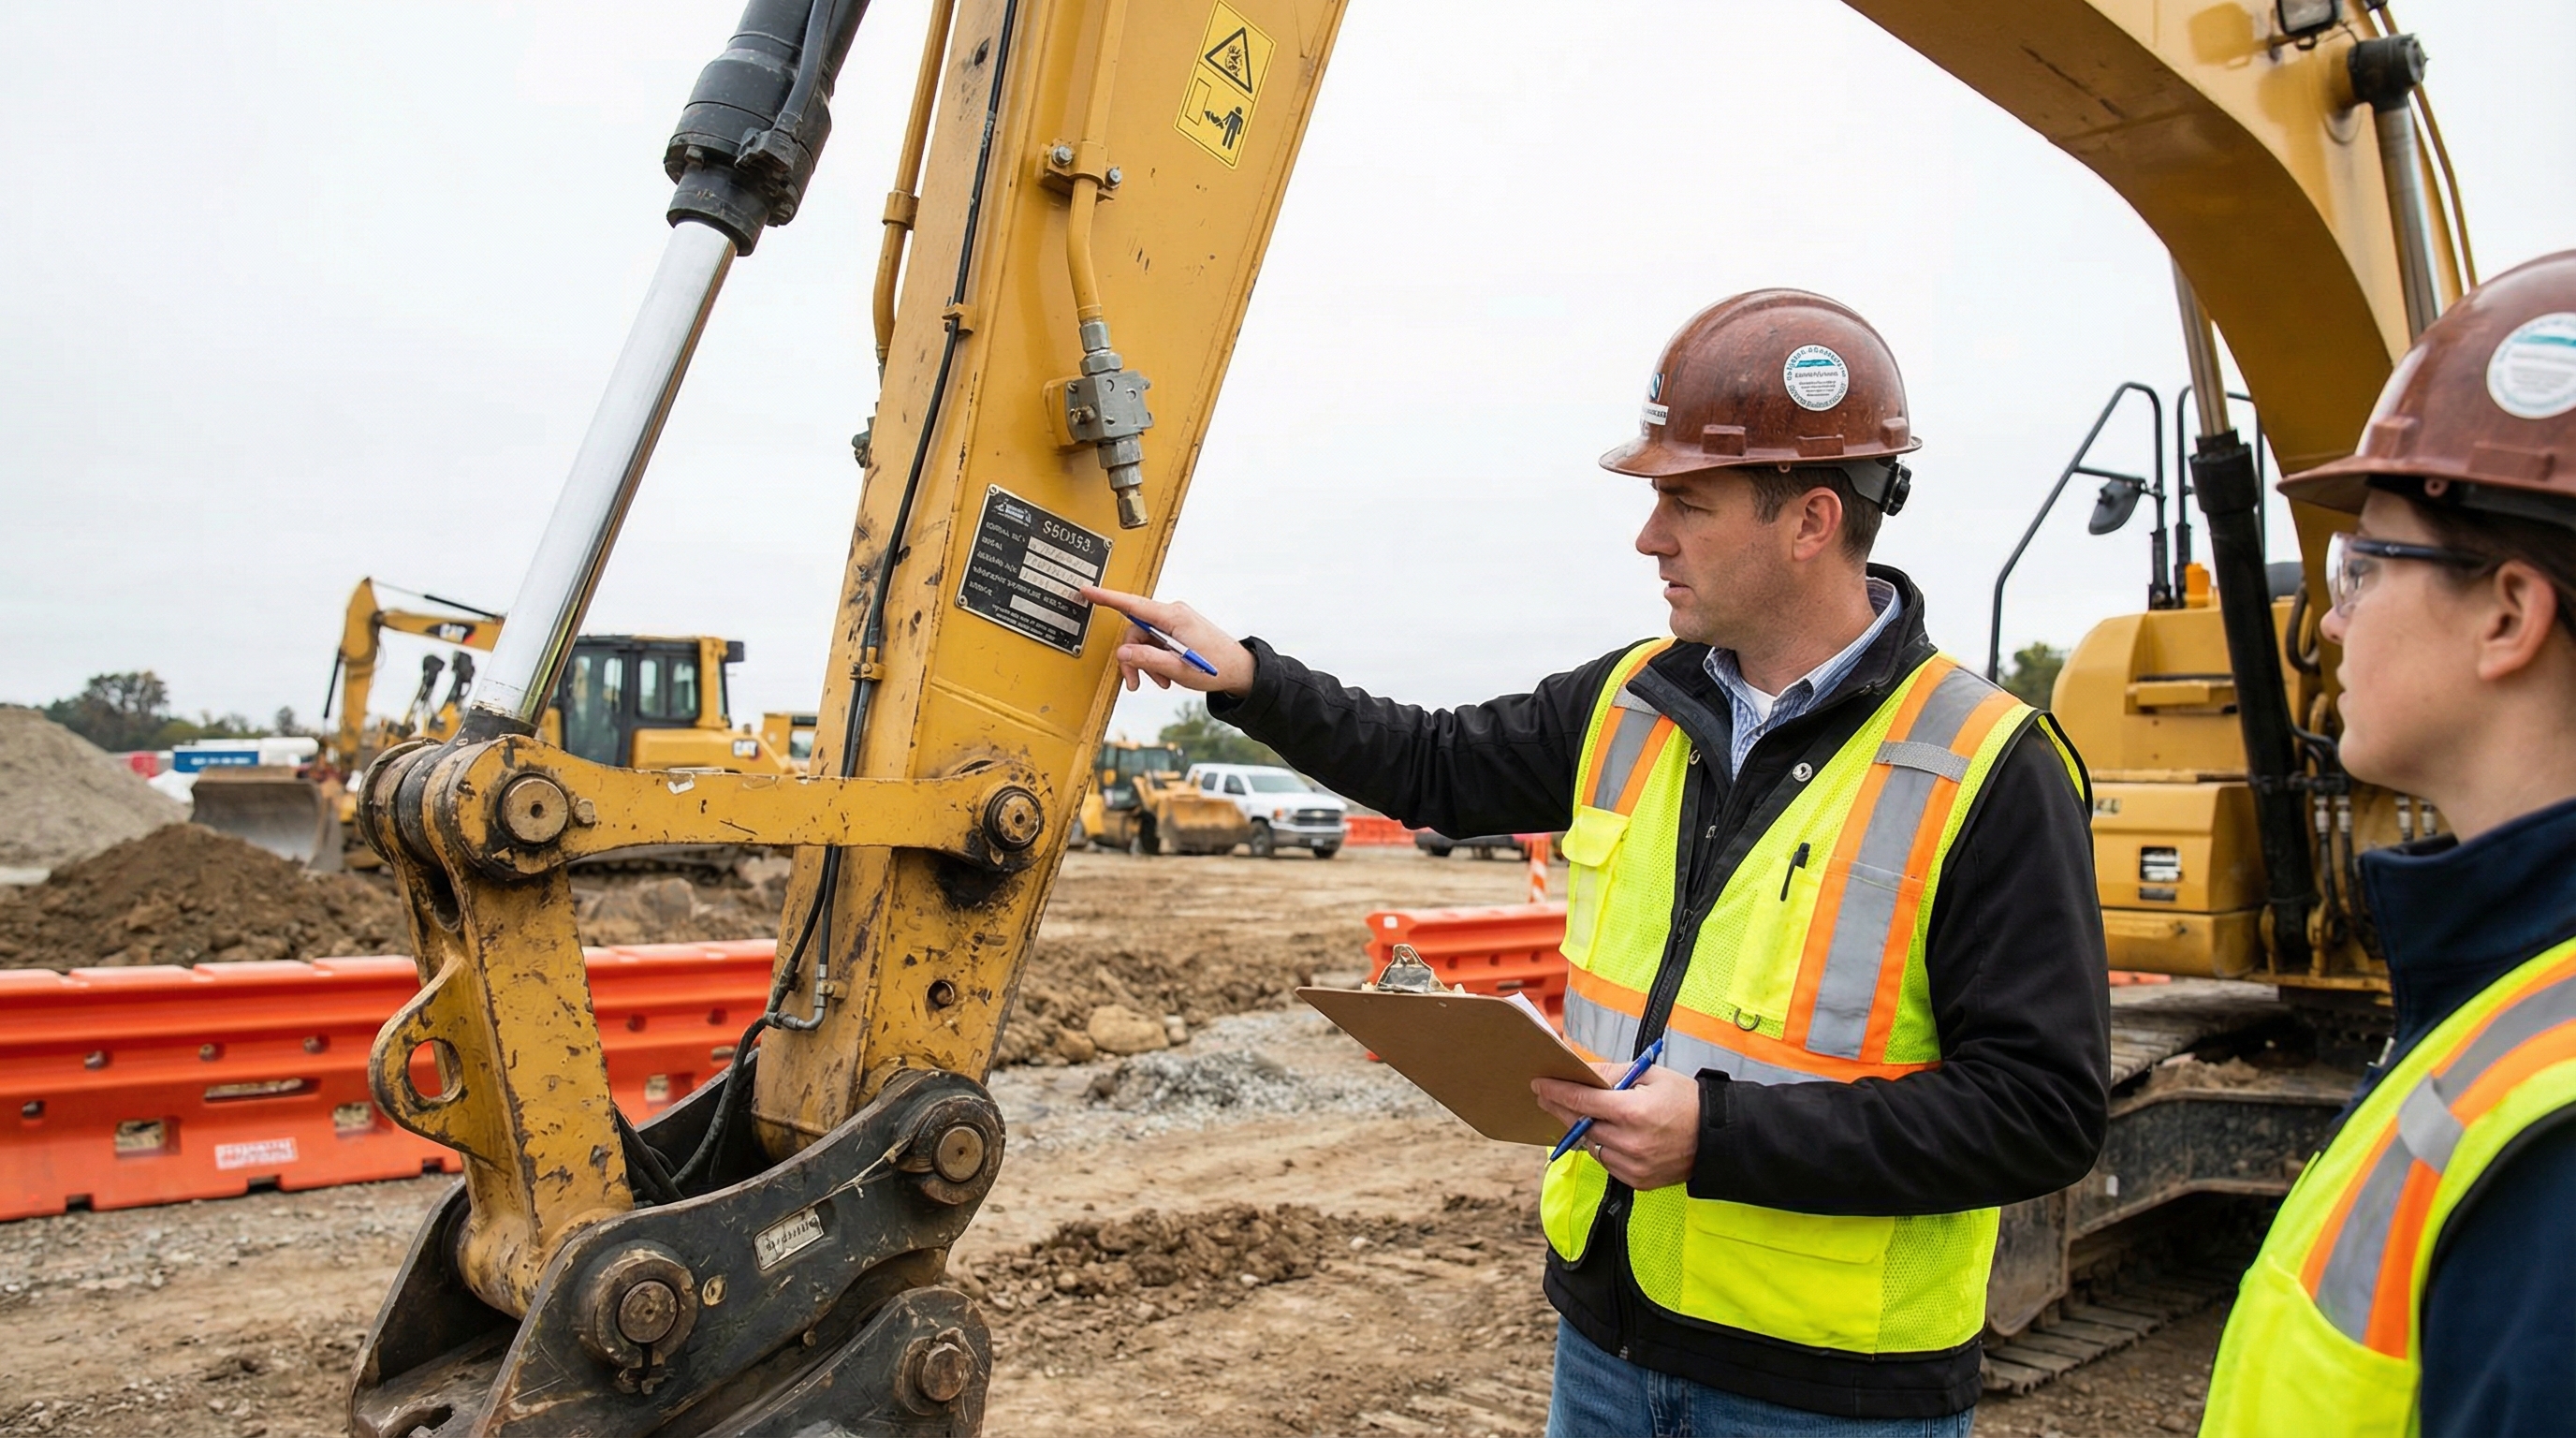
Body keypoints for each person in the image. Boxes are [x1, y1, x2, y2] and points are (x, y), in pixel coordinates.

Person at [1086, 290, 2111, 1435]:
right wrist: (1251, 682)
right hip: (1611, 1344)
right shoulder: (1637, 696)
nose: (1648, 536)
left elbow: (2040, 1112)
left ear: (1811, 520)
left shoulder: (1986, 765)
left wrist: (1717, 1137)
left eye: (1686, 501)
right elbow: (1434, 764)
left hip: (1830, 1396)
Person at [2198, 251, 2576, 1438]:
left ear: (2510, 615)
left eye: (2364, 564)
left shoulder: (2554, 1141)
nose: (2331, 616)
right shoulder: (2508, 997)